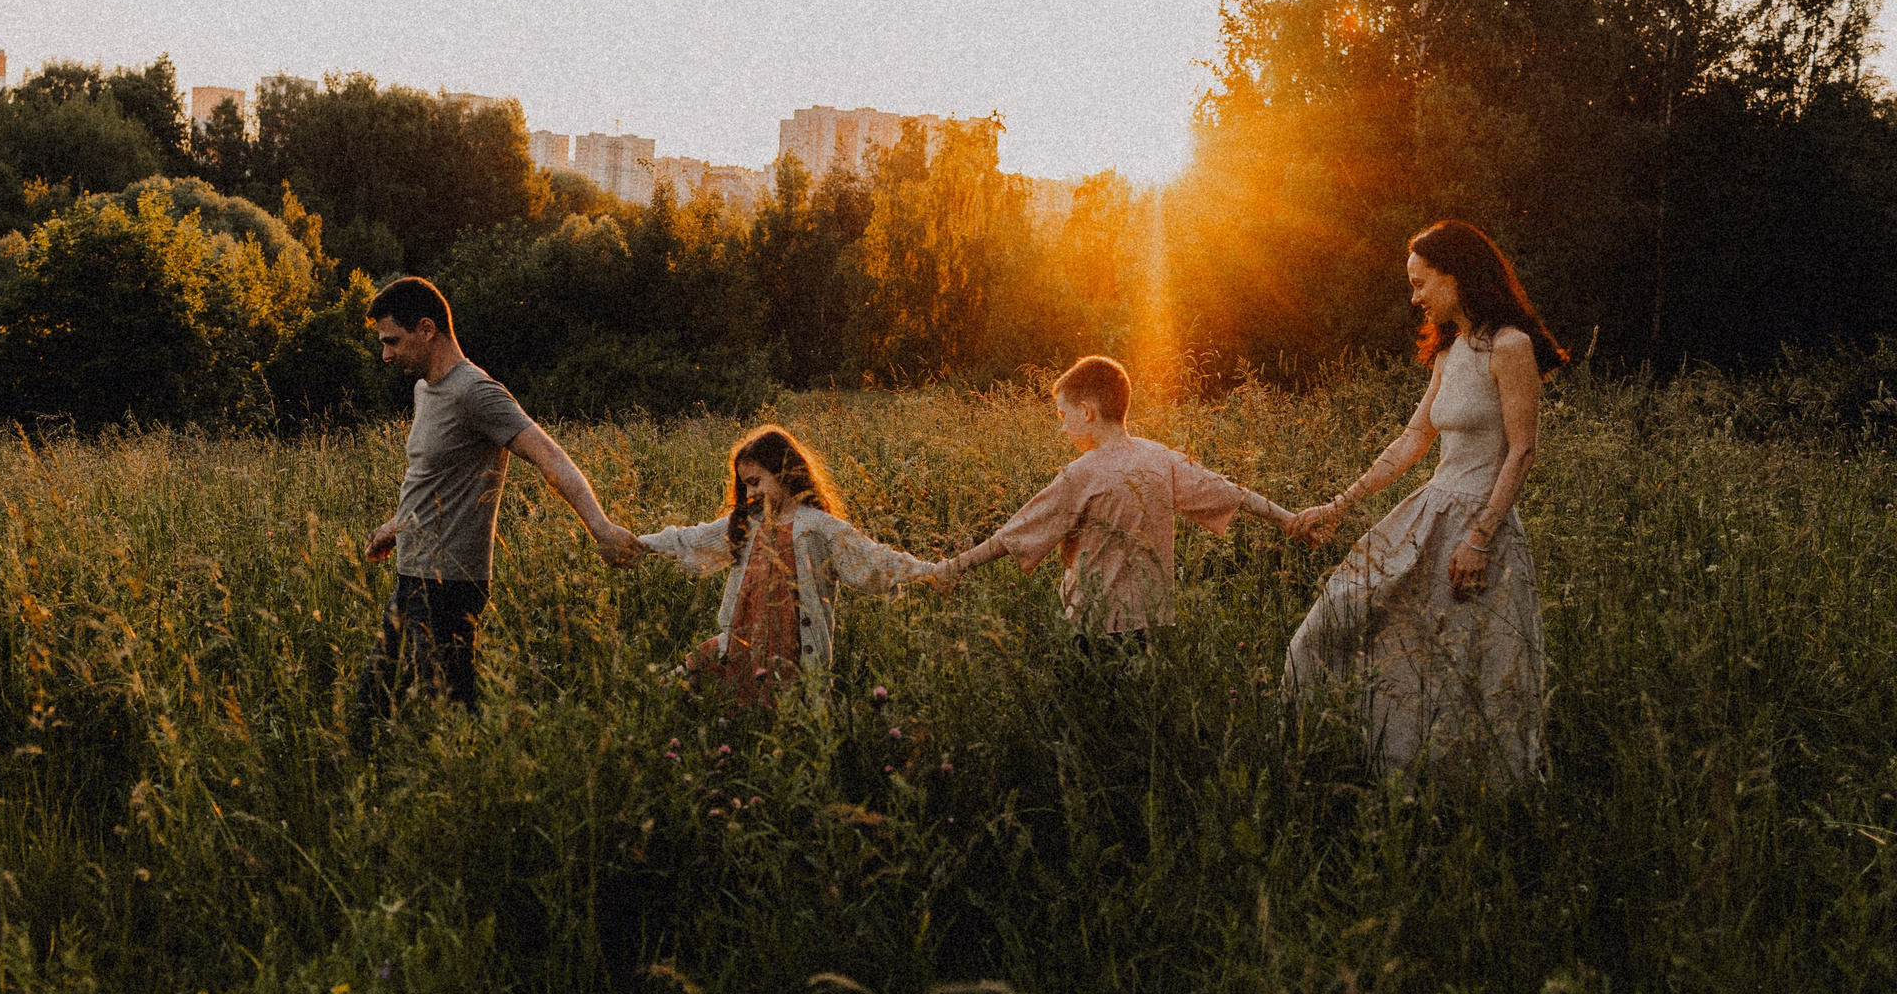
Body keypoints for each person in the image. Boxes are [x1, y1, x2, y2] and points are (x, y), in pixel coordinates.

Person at [1284, 220, 1565, 782]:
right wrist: (1338, 505)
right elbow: (1413, 440)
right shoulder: (1450, 351)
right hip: (1429, 511)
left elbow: (1523, 451)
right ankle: (1371, 767)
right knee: (1330, 628)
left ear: (1457, 276)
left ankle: (1467, 801)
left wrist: (1480, 539)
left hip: (1478, 530)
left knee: (1465, 663)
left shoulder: (1511, 347)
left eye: (1421, 283)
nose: (1415, 297)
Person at [354, 275, 639, 735]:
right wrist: (396, 525)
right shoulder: (425, 389)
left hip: (450, 584)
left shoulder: (477, 393)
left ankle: (477, 789)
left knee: (447, 715)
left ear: (426, 329)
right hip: (414, 574)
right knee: (374, 706)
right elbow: (436, 479)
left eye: (392, 341)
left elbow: (549, 454)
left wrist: (601, 528)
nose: (385, 354)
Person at [932, 356, 1300, 637]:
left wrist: (955, 566)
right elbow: (1234, 494)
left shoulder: (1081, 474)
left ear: (1087, 411)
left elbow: (1012, 534)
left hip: (1093, 630)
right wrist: (1290, 520)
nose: (1062, 429)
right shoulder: (1163, 459)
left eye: (1063, 415)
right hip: (1152, 626)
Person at [636, 425, 942, 706]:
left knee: (782, 719)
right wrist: (637, 545)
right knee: (683, 688)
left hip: (792, 655)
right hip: (742, 648)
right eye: (745, 486)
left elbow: (876, 559)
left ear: (782, 472)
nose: (751, 493)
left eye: (755, 482)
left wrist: (934, 572)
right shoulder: (748, 524)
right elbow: (690, 539)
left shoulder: (819, 528)